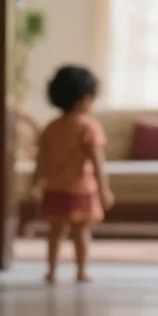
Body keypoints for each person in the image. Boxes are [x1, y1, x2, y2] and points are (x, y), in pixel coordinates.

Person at [30, 65, 114, 283]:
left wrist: (34, 183)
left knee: (55, 232)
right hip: (80, 190)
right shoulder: (89, 128)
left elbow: (41, 160)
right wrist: (104, 191)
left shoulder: (50, 128)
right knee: (81, 233)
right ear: (85, 100)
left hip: (54, 188)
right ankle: (81, 271)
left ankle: (51, 271)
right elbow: (98, 163)